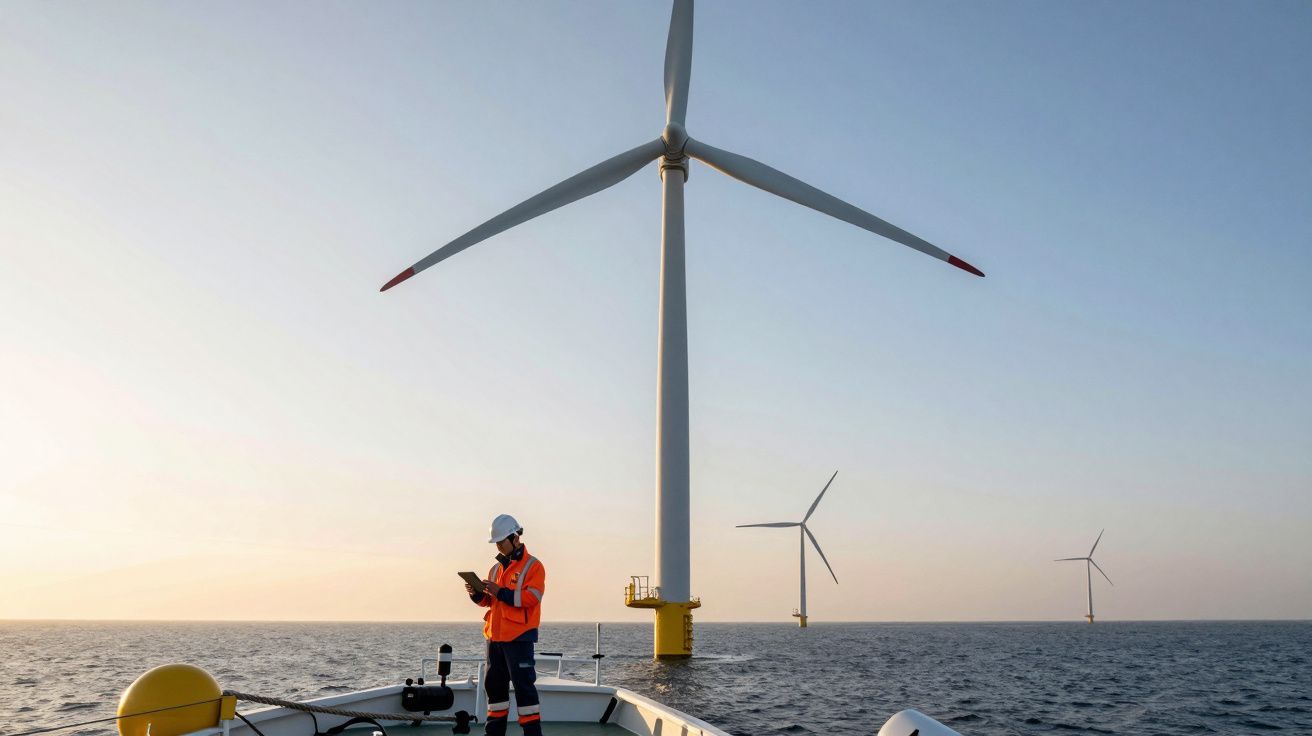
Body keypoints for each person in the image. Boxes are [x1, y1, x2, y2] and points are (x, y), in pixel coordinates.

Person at [465, 513, 546, 736]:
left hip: (519, 639)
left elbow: (531, 597)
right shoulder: (495, 569)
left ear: (515, 538)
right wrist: (476, 594)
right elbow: (489, 602)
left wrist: (500, 591)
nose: (498, 547)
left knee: (525, 693)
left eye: (501, 542)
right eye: (497, 543)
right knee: (495, 692)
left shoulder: (533, 566)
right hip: (495, 641)